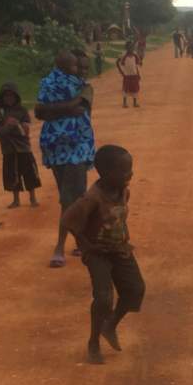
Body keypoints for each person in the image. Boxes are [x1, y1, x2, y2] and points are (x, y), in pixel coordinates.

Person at [61, 144, 145, 365]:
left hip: (119, 248)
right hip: (98, 253)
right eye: (125, 171)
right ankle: (94, 343)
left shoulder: (124, 191)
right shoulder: (92, 198)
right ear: (106, 173)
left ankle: (111, 325)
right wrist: (85, 245)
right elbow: (68, 220)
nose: (130, 174)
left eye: (131, 169)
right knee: (103, 298)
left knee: (135, 290)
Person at [34, 50, 96, 268]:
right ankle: (82, 240)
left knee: (70, 197)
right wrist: (67, 106)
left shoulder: (86, 88)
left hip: (78, 146)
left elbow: (77, 110)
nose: (82, 71)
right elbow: (39, 112)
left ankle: (60, 245)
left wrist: (60, 109)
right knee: (70, 195)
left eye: (86, 68)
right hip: (55, 145)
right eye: (79, 67)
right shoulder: (61, 85)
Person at [0, 84, 41, 208]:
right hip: (8, 149)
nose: (9, 98)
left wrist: (11, 126)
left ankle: (33, 198)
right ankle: (16, 200)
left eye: (11, 96)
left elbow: (25, 131)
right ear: (2, 97)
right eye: (6, 96)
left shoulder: (22, 111)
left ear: (16, 97)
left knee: (29, 173)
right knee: (12, 174)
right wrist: (10, 126)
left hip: (23, 148)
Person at [118, 41, 142, 109]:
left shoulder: (135, 55)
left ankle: (135, 103)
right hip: (127, 76)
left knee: (135, 89)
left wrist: (138, 74)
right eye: (129, 47)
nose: (131, 48)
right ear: (126, 48)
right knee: (125, 89)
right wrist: (121, 72)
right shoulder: (124, 55)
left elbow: (137, 64)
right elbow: (119, 63)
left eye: (132, 47)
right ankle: (124, 103)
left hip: (134, 75)